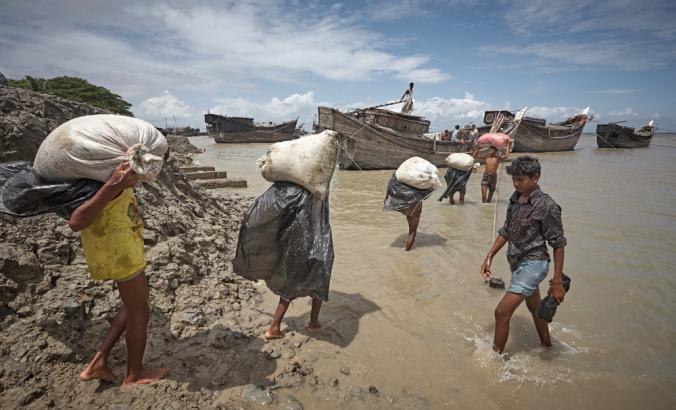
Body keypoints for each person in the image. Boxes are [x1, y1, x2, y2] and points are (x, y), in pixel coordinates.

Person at [72, 162, 169, 385]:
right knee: (139, 311)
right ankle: (134, 374)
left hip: (125, 251)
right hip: (121, 255)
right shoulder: (108, 185)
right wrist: (114, 185)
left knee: (133, 304)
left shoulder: (116, 183)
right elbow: (76, 222)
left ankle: (98, 362)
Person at [480, 156, 567, 353]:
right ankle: (547, 345)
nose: (516, 184)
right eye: (514, 180)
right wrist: (490, 256)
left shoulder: (547, 205)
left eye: (521, 180)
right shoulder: (515, 199)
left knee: (502, 312)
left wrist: (557, 281)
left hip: (535, 263)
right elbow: (506, 231)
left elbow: (558, 244)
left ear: (535, 178)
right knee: (535, 310)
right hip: (517, 262)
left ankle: (495, 359)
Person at [233, 182, 334, 340]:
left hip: (293, 239)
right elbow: (318, 220)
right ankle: (310, 324)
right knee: (320, 275)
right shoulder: (316, 189)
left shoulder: (291, 188)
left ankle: (278, 326)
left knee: (291, 281)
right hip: (311, 240)